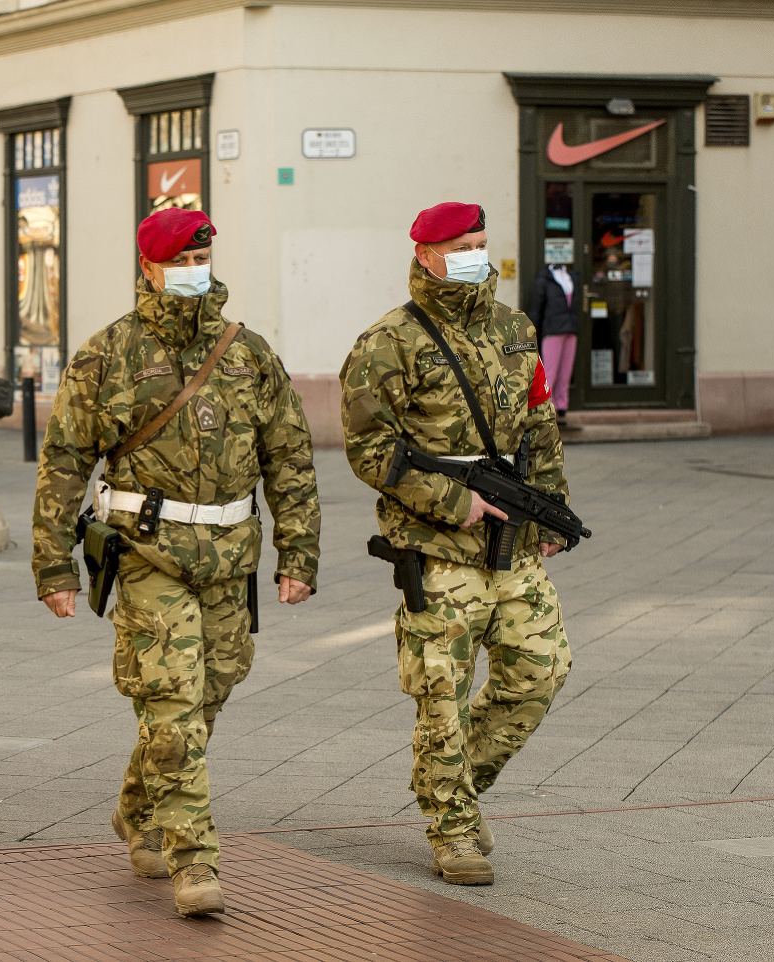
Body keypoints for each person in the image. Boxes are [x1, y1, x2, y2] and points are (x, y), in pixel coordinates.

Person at [32, 208, 320, 917]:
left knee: (211, 688)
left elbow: (289, 458)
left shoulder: (248, 354)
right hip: (146, 554)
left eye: (204, 259)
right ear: (150, 269)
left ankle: (138, 807)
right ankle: (192, 857)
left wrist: (299, 551)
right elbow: (64, 462)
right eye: (182, 262)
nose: (196, 271)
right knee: (172, 699)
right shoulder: (108, 355)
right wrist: (53, 565)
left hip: (229, 558)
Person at [339, 202, 573, 886]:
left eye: (481, 241)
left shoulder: (512, 327)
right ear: (425, 255)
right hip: (436, 546)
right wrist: (452, 499)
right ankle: (453, 828)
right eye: (461, 245)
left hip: (513, 541)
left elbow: (540, 422)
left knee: (542, 668)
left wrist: (550, 511)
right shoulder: (390, 340)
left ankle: (451, 786)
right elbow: (368, 447)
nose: (476, 253)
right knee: (441, 690)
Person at [527, 262, 580, 425]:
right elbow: (536, 308)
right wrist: (532, 332)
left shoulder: (571, 277)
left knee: (566, 371)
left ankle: (561, 406)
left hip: (570, 328)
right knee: (550, 371)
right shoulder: (544, 279)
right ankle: (545, 409)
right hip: (552, 329)